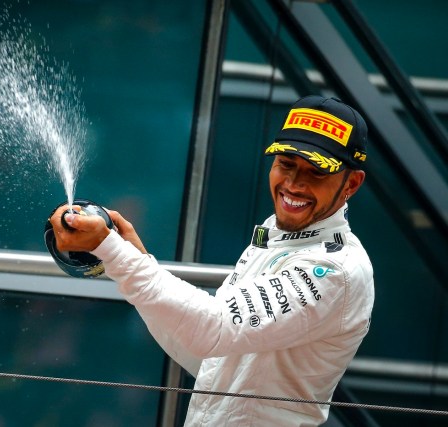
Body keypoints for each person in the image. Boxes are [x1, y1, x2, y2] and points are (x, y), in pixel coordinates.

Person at [49, 95, 374, 426]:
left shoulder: (336, 270)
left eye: (316, 172)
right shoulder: (277, 234)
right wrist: (133, 258)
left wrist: (114, 252)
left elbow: (213, 328)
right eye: (286, 164)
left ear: (352, 183)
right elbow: (211, 358)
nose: (293, 184)